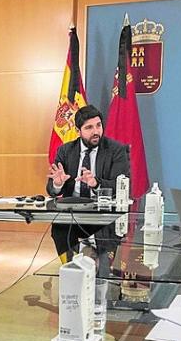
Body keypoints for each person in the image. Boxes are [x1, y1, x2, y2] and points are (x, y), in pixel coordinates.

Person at [46, 104, 131, 259]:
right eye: (89, 127)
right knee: (59, 229)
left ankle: (102, 270)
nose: (96, 132)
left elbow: (122, 186)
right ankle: (71, 267)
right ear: (78, 131)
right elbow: (51, 189)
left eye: (98, 125)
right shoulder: (65, 151)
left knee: (105, 249)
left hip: (102, 214)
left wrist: (96, 184)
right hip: (73, 212)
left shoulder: (116, 150)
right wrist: (58, 184)